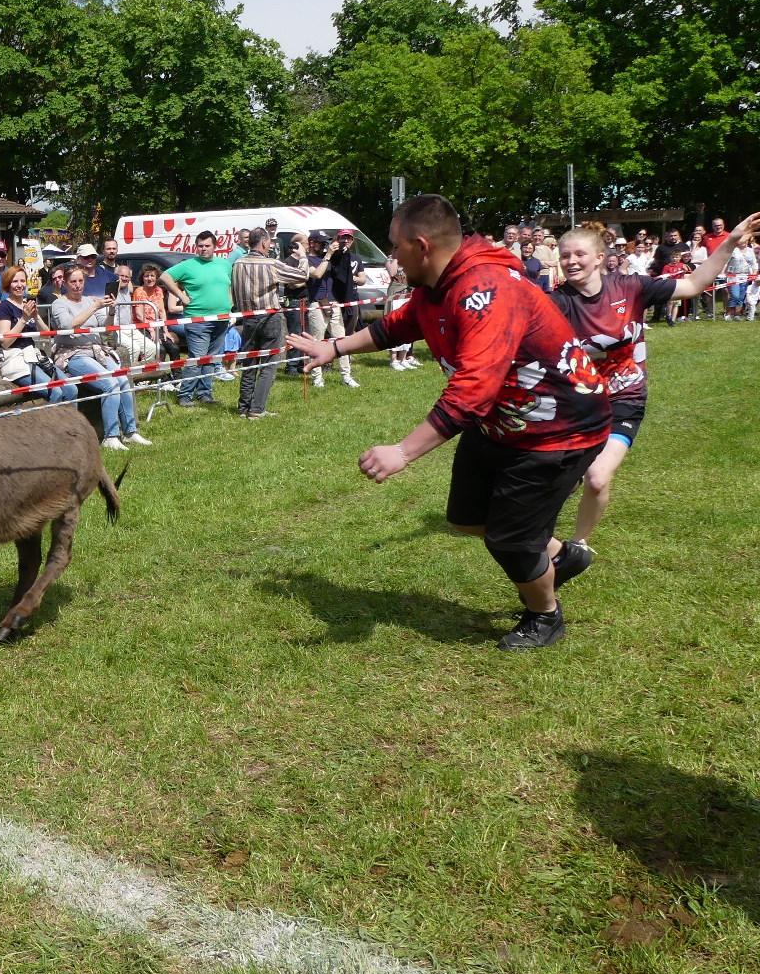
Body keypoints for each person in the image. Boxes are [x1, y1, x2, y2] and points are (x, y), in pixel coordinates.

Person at [288, 194, 612, 651]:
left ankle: (545, 615)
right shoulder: (437, 285)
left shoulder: (486, 290)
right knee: (467, 518)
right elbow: (397, 326)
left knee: (511, 542)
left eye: (395, 247)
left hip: (556, 430)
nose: (392, 257)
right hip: (501, 423)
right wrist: (334, 349)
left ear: (421, 245)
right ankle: (561, 555)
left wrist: (402, 451)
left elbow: (473, 389)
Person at [551, 215, 756, 552]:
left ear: (600, 258)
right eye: (565, 256)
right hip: (578, 403)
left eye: (579, 255)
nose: (571, 262)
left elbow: (692, 285)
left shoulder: (631, 286)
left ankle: (578, 545)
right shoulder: (557, 302)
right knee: (561, 475)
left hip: (625, 399)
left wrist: (731, 241)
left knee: (598, 477)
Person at [48, 266, 150, 450]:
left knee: (123, 380)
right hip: (73, 354)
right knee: (110, 384)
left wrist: (111, 311)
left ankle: (130, 432)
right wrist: (95, 306)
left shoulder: (88, 300)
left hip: (96, 351)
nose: (78, 285)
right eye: (73, 282)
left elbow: (105, 326)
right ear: (65, 283)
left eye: (80, 281)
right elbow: (67, 326)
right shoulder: (59, 304)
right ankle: (110, 436)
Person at [230, 227, 308, 419]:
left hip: (248, 318)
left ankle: (243, 408)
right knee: (269, 364)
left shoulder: (238, 263)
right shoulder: (270, 264)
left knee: (249, 362)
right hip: (269, 318)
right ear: (264, 242)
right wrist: (303, 256)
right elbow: (302, 275)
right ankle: (257, 409)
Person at [159, 230, 234, 406]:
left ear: (215, 247)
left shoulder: (224, 265)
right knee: (197, 359)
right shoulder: (188, 265)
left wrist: (230, 302)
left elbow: (228, 285)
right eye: (200, 246)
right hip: (198, 320)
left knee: (211, 358)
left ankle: (205, 393)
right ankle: (184, 395)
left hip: (221, 319)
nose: (203, 249)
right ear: (196, 247)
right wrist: (181, 296)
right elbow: (164, 276)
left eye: (207, 246)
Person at [0, 264, 73, 402]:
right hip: (15, 359)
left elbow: (48, 334)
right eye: (15, 281)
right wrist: (24, 318)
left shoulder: (28, 304)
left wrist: (35, 316)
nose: (19, 285)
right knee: (55, 392)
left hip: (33, 355)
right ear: (8, 284)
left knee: (71, 389)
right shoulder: (3, 307)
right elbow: (5, 342)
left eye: (22, 281)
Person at [302, 230, 359, 388]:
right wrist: (328, 256)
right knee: (316, 342)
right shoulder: (307, 260)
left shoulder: (329, 258)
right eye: (321, 242)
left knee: (341, 341)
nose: (324, 245)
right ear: (312, 243)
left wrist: (340, 248)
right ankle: (317, 377)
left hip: (334, 303)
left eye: (325, 242)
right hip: (317, 303)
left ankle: (346, 375)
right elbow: (317, 274)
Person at [132, 263, 181, 362]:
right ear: (143, 278)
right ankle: (160, 375)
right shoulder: (139, 291)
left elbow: (162, 311)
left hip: (157, 327)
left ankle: (176, 375)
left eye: (152, 276)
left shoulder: (158, 290)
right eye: (146, 276)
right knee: (160, 350)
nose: (149, 279)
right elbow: (139, 315)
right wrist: (150, 329)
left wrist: (166, 330)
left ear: (156, 277)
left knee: (174, 348)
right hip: (144, 328)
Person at [328, 227, 367, 332]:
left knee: (351, 324)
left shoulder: (356, 258)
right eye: (343, 238)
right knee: (336, 328)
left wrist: (352, 278)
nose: (345, 241)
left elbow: (363, 279)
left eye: (348, 238)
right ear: (338, 239)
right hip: (335, 296)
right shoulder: (332, 256)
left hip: (352, 295)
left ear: (352, 240)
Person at [724, 232, 756, 319]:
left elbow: (754, 264)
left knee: (741, 296)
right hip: (733, 276)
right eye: (742, 240)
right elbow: (725, 263)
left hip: (745, 276)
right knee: (735, 295)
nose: (744, 242)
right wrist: (723, 274)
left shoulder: (750, 251)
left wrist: (753, 275)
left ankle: (737, 314)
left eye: (746, 240)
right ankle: (728, 314)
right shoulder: (733, 250)